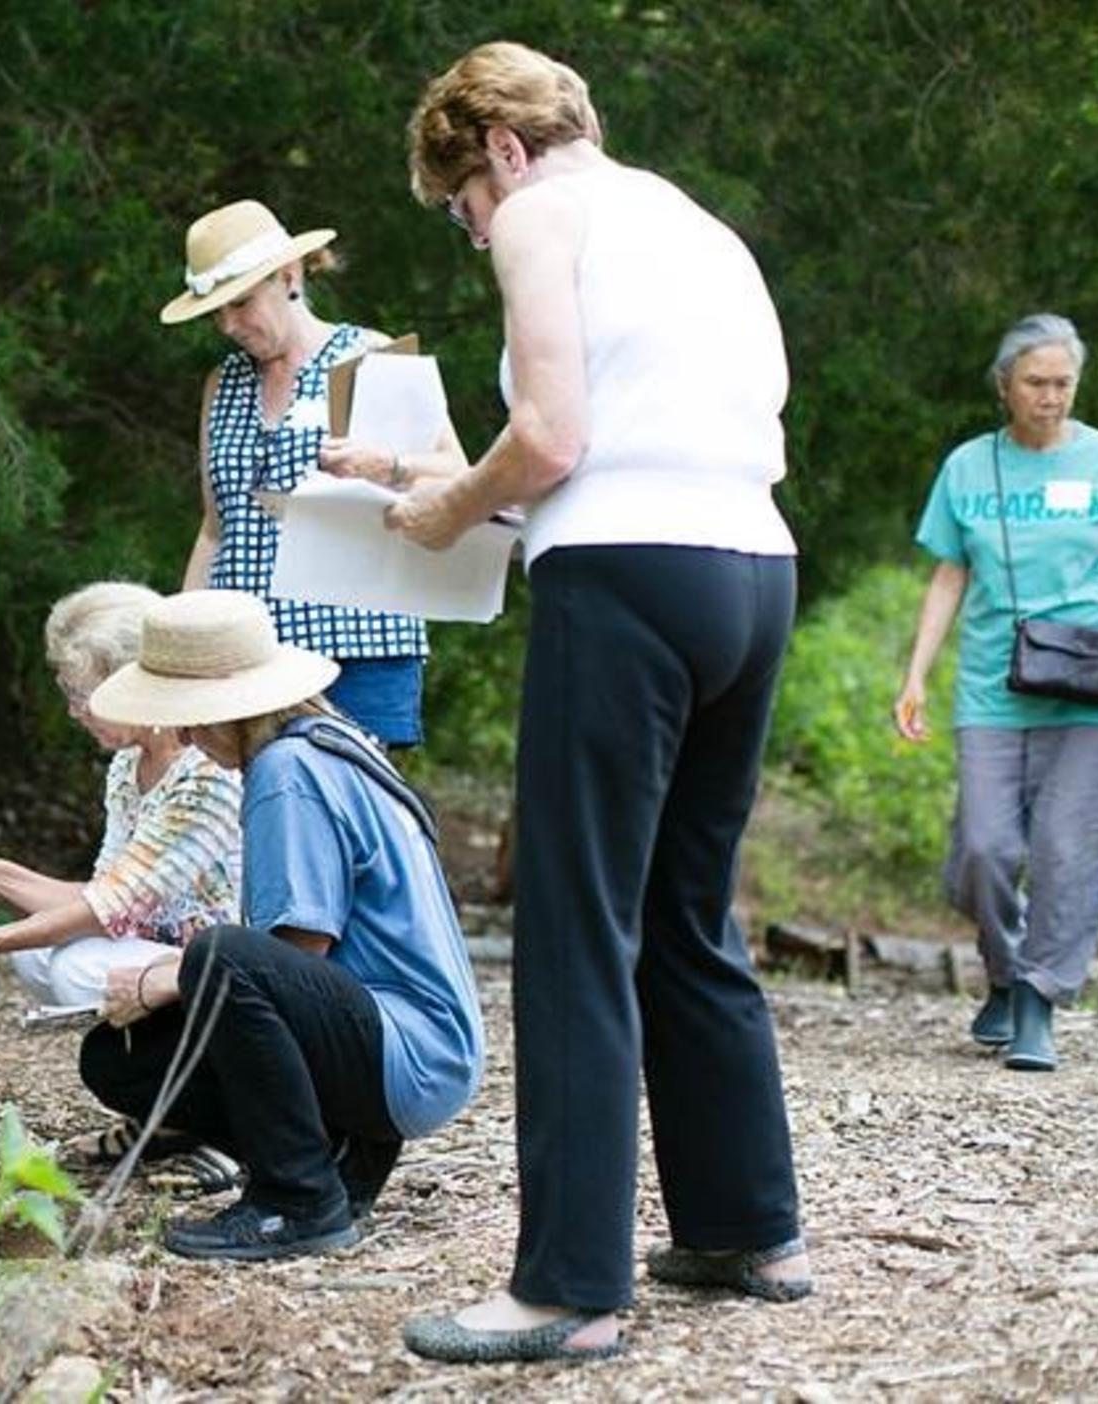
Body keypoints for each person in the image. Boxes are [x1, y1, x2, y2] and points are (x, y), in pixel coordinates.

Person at [393, 43, 810, 1362]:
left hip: (624, 578)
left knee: (577, 927)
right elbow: (689, 424)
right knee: (687, 909)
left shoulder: (538, 215)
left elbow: (556, 438)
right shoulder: (696, 225)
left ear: (499, 152)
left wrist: (443, 509)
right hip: (752, 569)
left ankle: (565, 1287)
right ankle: (746, 1226)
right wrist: (445, 476)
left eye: (460, 205)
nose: (475, 232)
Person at [76, 589, 484, 1262]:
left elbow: (294, 952)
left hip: (408, 1054)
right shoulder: (329, 739)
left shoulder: (287, 770)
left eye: (194, 720)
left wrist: (160, 980)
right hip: (412, 1042)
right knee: (119, 1060)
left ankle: (297, 1200)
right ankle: (335, 1160)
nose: (187, 739)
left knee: (220, 958)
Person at [894, 314, 1098, 1074]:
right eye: (1036, 383)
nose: (1050, 397)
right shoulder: (968, 468)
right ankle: (1002, 969)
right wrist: (917, 672)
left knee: (1069, 849)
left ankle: (1036, 1003)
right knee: (985, 850)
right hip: (994, 684)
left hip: (1092, 687)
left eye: (1063, 383)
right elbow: (950, 573)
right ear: (1004, 386)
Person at [164, 198, 466, 749]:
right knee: (257, 819)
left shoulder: (370, 356)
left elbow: (456, 477)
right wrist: (184, 654)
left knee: (348, 818)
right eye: (217, 311)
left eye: (242, 303)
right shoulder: (223, 383)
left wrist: (391, 466)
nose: (229, 325)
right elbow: (215, 528)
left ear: (289, 276)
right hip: (246, 659)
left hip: (356, 652)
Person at [0, 581, 243, 1007]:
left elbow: (111, 908)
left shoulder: (204, 770)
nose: (73, 712)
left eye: (82, 697)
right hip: (157, 941)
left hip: (223, 959)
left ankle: (180, 1059)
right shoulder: (129, 763)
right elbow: (102, 892)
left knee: (78, 966)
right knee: (36, 953)